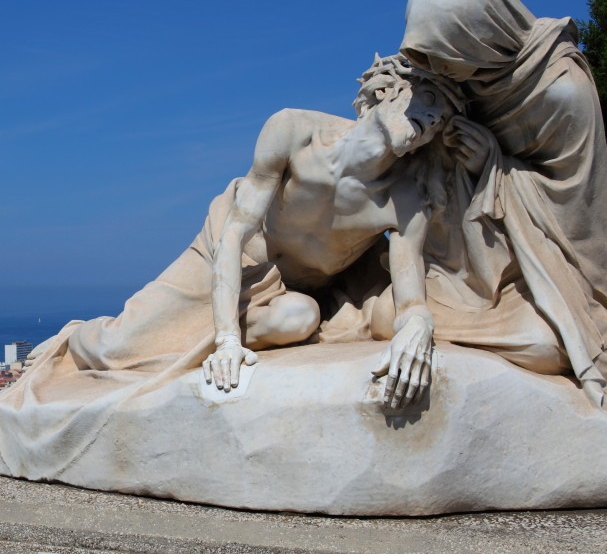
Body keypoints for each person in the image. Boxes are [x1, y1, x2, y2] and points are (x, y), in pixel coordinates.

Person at [32, 55, 464, 410]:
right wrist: (225, 340)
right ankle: (76, 335)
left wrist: (417, 326)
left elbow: (410, 300)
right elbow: (236, 233)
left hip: (302, 290)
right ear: (388, 91)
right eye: (426, 99)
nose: (430, 118)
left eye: (441, 118)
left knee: (299, 319)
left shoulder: (408, 200)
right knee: (116, 349)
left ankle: (203, 341)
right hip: (229, 257)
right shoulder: (295, 131)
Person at [397, 0, 607, 408]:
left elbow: (578, 205)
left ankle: (411, 312)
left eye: (441, 53)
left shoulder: (562, 92)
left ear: (479, 35)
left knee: (551, 342)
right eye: (426, 56)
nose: (434, 68)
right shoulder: (458, 74)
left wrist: (492, 164)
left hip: (544, 260)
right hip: (460, 245)